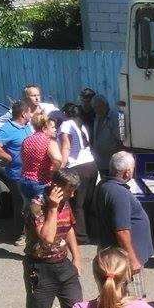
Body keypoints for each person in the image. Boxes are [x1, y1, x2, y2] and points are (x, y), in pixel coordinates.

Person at [16, 168, 83, 308]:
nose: (72, 194)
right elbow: (46, 238)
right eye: (69, 190)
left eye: (74, 190)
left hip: (63, 265)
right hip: (39, 267)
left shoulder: (65, 201)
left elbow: (68, 228)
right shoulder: (36, 205)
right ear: (55, 186)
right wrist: (53, 208)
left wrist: (76, 257)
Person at [95, 152, 153, 298]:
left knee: (117, 299)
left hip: (115, 255)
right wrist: (133, 260)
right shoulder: (118, 193)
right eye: (133, 168)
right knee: (133, 300)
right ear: (127, 172)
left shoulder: (105, 185)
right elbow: (122, 230)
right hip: (125, 261)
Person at [0, 100, 35, 245]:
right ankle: (22, 234)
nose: (31, 114)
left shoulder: (27, 126)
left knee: (32, 203)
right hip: (17, 174)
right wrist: (8, 158)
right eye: (29, 112)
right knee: (22, 204)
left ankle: (33, 231)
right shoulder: (7, 129)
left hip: (31, 172)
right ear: (23, 114)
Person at [58, 103, 99, 244]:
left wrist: (61, 166)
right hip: (91, 165)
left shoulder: (65, 125)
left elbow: (66, 147)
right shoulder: (81, 125)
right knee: (88, 201)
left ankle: (81, 236)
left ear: (65, 113)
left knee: (77, 204)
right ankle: (92, 231)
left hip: (77, 166)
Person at [19, 112, 63, 199]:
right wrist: (53, 173)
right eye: (53, 127)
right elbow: (57, 160)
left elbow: (22, 158)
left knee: (29, 206)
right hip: (41, 181)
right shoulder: (49, 141)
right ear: (44, 128)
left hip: (25, 180)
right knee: (42, 207)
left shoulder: (26, 140)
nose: (55, 130)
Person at [92, 95, 124, 175]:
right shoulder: (97, 117)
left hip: (112, 162)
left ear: (106, 105)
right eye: (95, 107)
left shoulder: (116, 117)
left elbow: (121, 139)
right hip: (100, 162)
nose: (97, 110)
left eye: (99, 107)